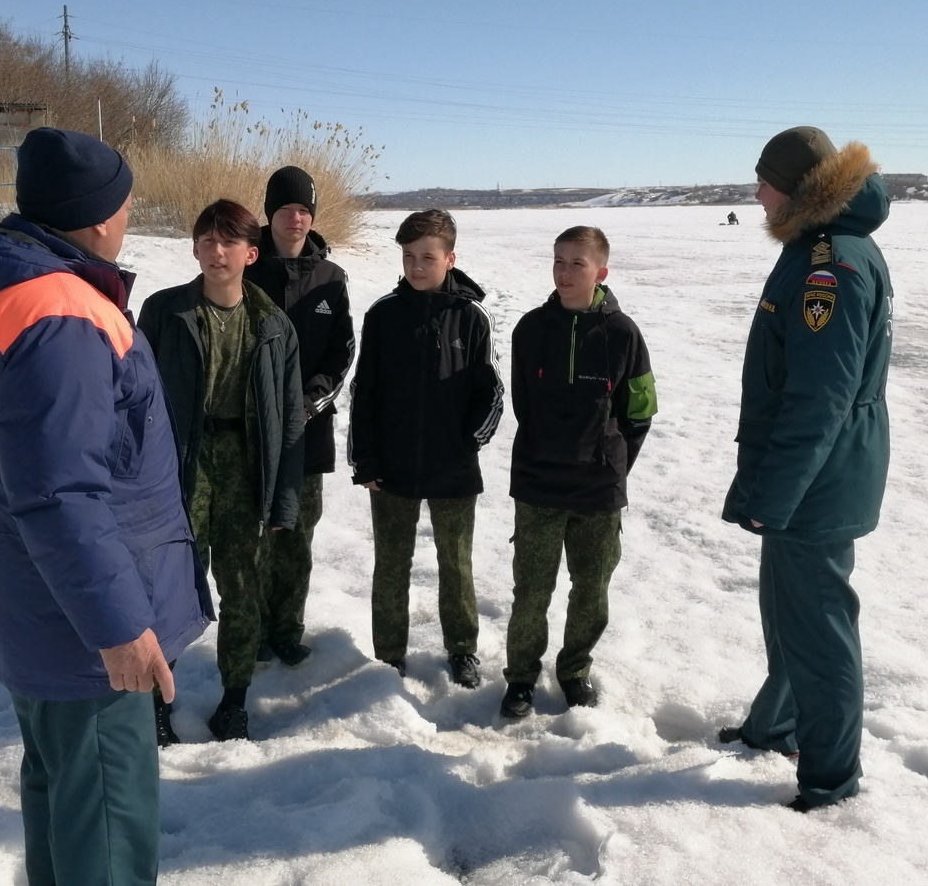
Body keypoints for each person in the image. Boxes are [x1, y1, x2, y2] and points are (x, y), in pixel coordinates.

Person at [0, 126, 212, 885]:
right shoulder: (62, 315)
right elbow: (60, 490)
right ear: (95, 218)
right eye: (123, 203)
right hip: (85, 633)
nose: (126, 217)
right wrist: (117, 627)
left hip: (37, 607)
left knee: (63, 803)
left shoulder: (2, 291)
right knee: (109, 832)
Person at [720, 126, 893, 812]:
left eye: (764, 180)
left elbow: (820, 398)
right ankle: (776, 726)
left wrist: (778, 493)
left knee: (818, 631)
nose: (756, 192)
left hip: (816, 481)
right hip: (810, 476)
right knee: (789, 613)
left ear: (796, 187)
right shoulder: (816, 246)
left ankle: (829, 780)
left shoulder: (831, 263)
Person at [139, 199, 304, 742]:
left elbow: (289, 418)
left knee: (241, 588)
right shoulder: (165, 312)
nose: (216, 251)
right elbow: (134, 400)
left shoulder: (274, 327)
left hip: (245, 467)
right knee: (169, 590)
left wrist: (282, 501)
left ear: (251, 253)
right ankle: (158, 703)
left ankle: (235, 700)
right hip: (180, 465)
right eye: (207, 240)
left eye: (228, 242)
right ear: (194, 248)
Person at [500, 226, 656, 719]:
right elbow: (523, 403)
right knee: (531, 590)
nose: (564, 273)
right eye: (558, 261)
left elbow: (640, 410)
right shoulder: (530, 329)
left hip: (598, 490)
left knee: (591, 591)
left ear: (600, 272)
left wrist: (611, 463)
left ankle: (574, 671)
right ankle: (521, 679)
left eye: (577, 264)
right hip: (538, 483)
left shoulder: (623, 333)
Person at [348, 209, 503, 687]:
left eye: (428, 258)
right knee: (391, 563)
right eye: (409, 257)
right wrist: (366, 459)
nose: (417, 267)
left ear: (450, 258)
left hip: (452, 468)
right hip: (390, 467)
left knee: (455, 564)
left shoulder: (472, 316)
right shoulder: (383, 314)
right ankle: (389, 654)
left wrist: (467, 444)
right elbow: (364, 391)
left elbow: (491, 391)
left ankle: (462, 650)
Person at [248, 166, 355, 667]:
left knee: (296, 537)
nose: (297, 218)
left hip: (308, 433)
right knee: (250, 540)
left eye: (305, 210)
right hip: (251, 432)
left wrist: (315, 398)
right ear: (270, 214)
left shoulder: (331, 280)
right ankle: (248, 632)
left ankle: (287, 630)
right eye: (288, 209)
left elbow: (341, 350)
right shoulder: (244, 271)